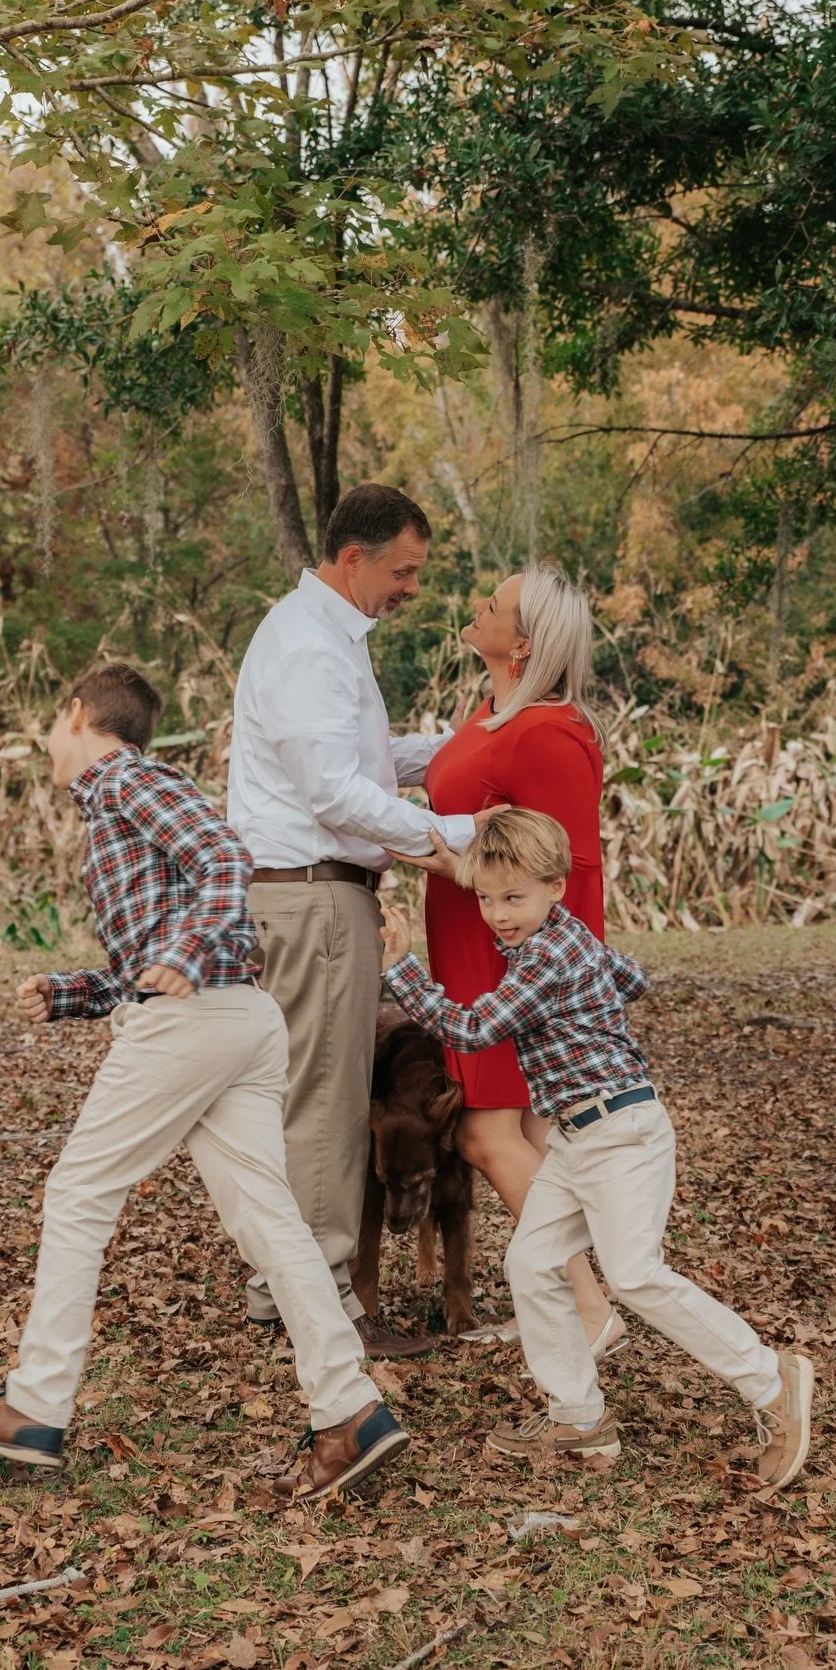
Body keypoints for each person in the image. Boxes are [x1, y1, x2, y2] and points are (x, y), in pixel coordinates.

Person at [0, 663, 408, 1503]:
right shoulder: (124, 799)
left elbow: (227, 857)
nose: (48, 741)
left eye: (52, 722)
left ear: (77, 713)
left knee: (79, 1192)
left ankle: (36, 1403)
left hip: (198, 1021)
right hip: (238, 1019)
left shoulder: (125, 778)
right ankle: (350, 1409)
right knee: (269, 1217)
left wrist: (184, 958)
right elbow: (161, 939)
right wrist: (75, 991)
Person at [379, 808, 814, 1486]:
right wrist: (592, 988)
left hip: (622, 1133)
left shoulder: (549, 954)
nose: (496, 914)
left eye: (512, 897)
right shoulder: (562, 938)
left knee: (635, 1272)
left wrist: (403, 969)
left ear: (557, 885)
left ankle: (771, 1380)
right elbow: (632, 975)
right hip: (582, 1135)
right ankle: (579, 1417)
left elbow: (470, 1029)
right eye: (487, 897)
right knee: (530, 1261)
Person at [227, 485, 491, 1354]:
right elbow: (334, 792)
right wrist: (461, 836)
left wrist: (456, 752)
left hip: (316, 891)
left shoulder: (325, 640)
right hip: (314, 895)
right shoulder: (309, 646)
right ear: (354, 559)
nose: (411, 587)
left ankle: (281, 1287)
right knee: (328, 1102)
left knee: (309, 1092)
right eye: (404, 569)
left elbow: (362, 764)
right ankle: (328, 1302)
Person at [392, 563, 623, 1358]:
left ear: (521, 643)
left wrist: (434, 858)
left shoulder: (552, 729)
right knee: (522, 1129)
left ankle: (591, 1308)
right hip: (471, 942)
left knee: (484, 1134)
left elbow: (567, 867)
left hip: (508, 955)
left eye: (491, 605)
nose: (475, 607)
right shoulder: (492, 712)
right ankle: (560, 1308)